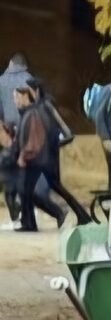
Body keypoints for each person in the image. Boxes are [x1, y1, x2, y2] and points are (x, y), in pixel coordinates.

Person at [12, 79, 93, 232]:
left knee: (44, 188)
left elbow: (67, 133)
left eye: (28, 91)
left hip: (48, 158)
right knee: (31, 189)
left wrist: (52, 147)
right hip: (40, 157)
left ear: (35, 91)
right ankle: (73, 215)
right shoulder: (34, 109)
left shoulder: (47, 105)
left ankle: (72, 215)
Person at [0, 55, 33, 230]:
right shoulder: (29, 79)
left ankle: (14, 214)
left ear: (11, 63)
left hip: (7, 133)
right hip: (25, 129)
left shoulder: (0, 81)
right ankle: (23, 207)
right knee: (25, 171)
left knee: (8, 174)